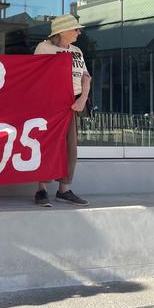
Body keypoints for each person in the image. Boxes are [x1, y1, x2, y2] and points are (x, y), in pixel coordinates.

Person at [33, 14, 91, 207]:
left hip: (71, 104)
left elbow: (86, 77)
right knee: (48, 145)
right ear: (63, 31)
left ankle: (64, 190)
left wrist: (82, 99)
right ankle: (41, 189)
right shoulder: (44, 48)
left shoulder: (77, 51)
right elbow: (35, 75)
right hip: (48, 104)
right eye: (75, 29)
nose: (79, 32)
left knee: (70, 149)